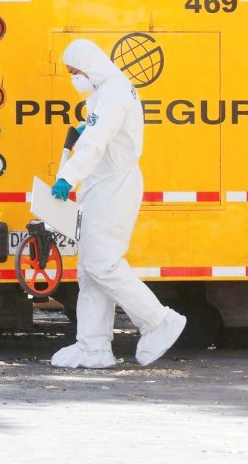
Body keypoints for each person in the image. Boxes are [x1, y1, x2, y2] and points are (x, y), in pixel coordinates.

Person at [49, 39, 187, 368]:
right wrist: (86, 128)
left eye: (75, 71)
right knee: (89, 270)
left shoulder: (113, 92)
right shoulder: (108, 90)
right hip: (104, 186)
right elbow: (100, 133)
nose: (74, 78)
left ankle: (158, 320)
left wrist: (68, 176)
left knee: (102, 265)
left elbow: (97, 142)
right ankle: (93, 346)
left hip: (114, 188)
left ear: (89, 65)